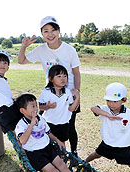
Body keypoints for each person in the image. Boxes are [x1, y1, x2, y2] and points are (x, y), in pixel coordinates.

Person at [18, 16, 81, 157]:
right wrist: (24, 46)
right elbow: (21, 61)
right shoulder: (41, 50)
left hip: (68, 95)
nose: (50, 34)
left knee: (70, 126)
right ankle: (53, 150)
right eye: (46, 31)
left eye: (53, 30)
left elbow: (76, 73)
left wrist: (77, 93)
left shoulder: (69, 50)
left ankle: (74, 152)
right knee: (48, 123)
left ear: (59, 31)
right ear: (42, 34)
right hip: (52, 93)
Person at [15, 93, 94, 172]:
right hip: (36, 154)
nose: (36, 108)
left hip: (48, 148)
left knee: (62, 165)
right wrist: (31, 125)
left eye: (36, 105)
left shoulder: (40, 118)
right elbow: (23, 140)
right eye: (32, 106)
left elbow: (48, 132)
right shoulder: (21, 125)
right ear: (23, 111)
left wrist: (58, 140)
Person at [39, 65, 80, 148]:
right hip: (49, 123)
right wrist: (48, 106)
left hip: (63, 124)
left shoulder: (68, 92)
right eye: (59, 76)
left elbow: (71, 109)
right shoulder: (46, 92)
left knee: (62, 145)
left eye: (65, 76)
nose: (63, 79)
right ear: (51, 78)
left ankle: (62, 159)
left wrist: (77, 97)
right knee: (49, 144)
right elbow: (40, 106)